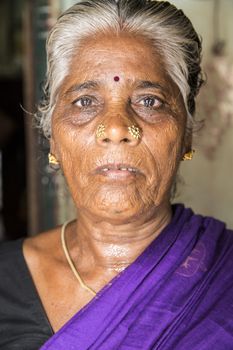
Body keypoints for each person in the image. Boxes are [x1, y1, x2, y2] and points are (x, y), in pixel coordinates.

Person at [1, 1, 233, 349]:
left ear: (186, 132)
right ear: (53, 136)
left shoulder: (223, 278)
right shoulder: (4, 281)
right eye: (85, 102)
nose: (115, 128)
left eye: (149, 101)